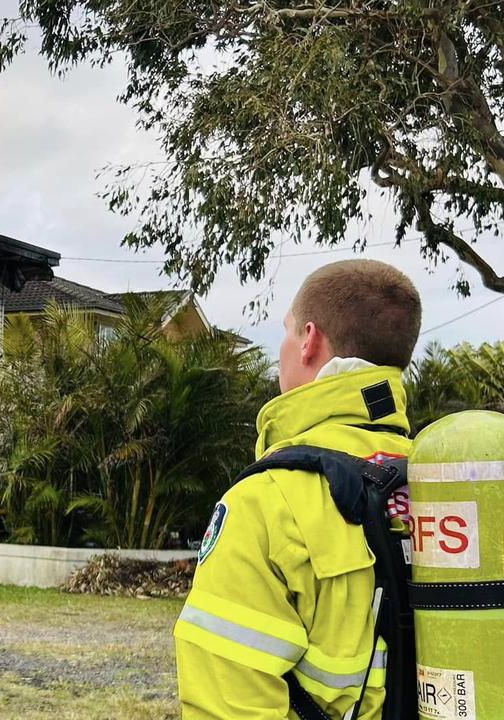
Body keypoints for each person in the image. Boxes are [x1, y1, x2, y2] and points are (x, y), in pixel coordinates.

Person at [174, 259, 422, 719]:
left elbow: (229, 704)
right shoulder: (448, 485)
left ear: (309, 340)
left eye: (286, 331)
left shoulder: (265, 502)